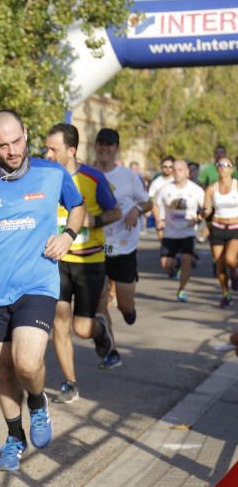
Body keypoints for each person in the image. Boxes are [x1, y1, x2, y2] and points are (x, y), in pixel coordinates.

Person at [0, 109, 84, 472]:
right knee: (4, 371)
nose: (11, 151)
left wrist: (68, 236)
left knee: (27, 361)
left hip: (36, 282)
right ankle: (14, 437)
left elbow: (77, 207)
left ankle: (38, 403)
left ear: (26, 133)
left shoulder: (52, 172)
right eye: (2, 145)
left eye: (17, 141)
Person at [43, 124, 119, 401]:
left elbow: (116, 211)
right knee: (59, 319)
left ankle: (100, 333)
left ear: (71, 150)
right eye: (46, 148)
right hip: (57, 260)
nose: (47, 154)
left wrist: (93, 220)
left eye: (54, 149)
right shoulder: (43, 178)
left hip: (89, 262)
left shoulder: (93, 177)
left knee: (81, 328)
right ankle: (70, 383)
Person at [94, 128, 152, 361]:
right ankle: (112, 350)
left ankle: (129, 310)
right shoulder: (88, 174)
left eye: (109, 144)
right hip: (97, 247)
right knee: (99, 302)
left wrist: (136, 211)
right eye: (101, 143)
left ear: (116, 148)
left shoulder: (128, 176)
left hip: (124, 248)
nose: (104, 148)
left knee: (124, 306)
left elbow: (148, 203)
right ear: (95, 146)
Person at [156, 159, 206, 302]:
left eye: (180, 169)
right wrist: (160, 220)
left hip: (188, 232)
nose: (177, 172)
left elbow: (206, 208)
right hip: (170, 232)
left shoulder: (195, 190)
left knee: (187, 259)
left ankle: (181, 289)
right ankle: (174, 266)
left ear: (187, 172)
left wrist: (197, 219)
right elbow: (155, 205)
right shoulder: (165, 189)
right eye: (175, 170)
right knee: (166, 264)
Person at [204, 155, 238, 308]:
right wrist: (202, 213)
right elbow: (207, 209)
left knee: (230, 259)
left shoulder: (237, 186)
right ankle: (226, 295)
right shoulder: (211, 189)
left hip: (235, 228)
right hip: (217, 228)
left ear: (232, 168)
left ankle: (235, 275)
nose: (222, 167)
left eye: (226, 164)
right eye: (219, 164)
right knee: (220, 265)